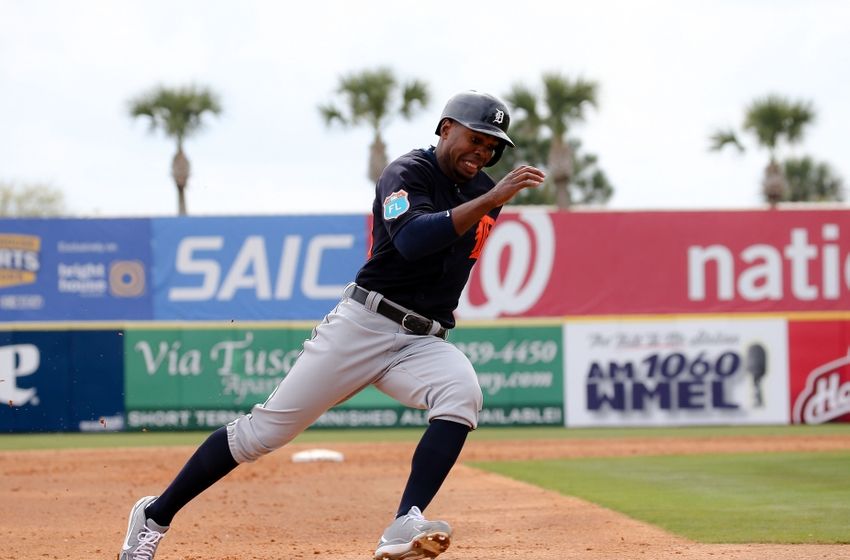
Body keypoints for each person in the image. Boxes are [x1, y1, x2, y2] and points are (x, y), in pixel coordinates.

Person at [118, 90, 546, 560]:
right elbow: (413, 242)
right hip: (364, 323)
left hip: (422, 339)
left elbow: (452, 258)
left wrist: (486, 200)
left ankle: (405, 521)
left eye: (492, 147)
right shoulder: (406, 172)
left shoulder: (484, 191)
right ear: (446, 128)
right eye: (475, 139)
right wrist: (492, 196)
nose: (482, 153)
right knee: (263, 434)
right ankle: (154, 516)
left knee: (462, 394)